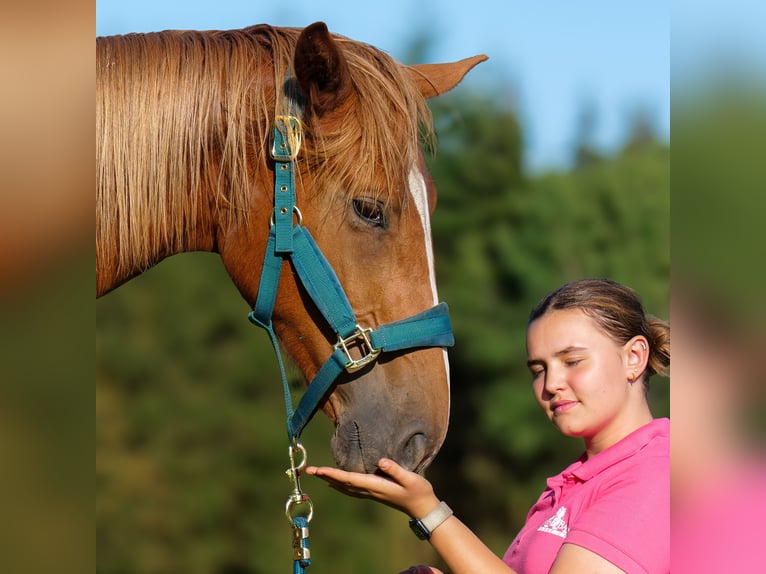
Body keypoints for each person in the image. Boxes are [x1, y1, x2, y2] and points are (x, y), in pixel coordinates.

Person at [306, 278, 670, 574]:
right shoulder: (575, 481)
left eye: (572, 361)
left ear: (634, 358)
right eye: (538, 370)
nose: (550, 384)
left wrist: (430, 513)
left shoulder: (658, 473)